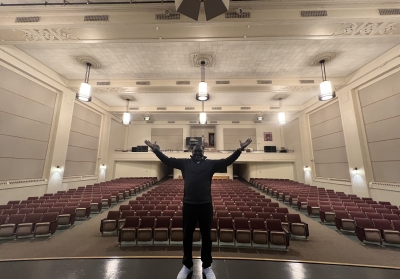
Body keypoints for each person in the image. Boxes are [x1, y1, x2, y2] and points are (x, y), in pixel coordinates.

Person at [144, 138, 252, 279]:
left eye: (200, 152)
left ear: (204, 152)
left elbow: (227, 161)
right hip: (189, 204)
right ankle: (187, 265)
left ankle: (206, 266)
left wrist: (240, 150)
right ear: (191, 152)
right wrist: (155, 149)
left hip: (205, 205)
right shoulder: (184, 163)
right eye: (195, 152)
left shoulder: (210, 164)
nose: (198, 154)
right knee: (187, 236)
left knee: (206, 237)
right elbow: (167, 160)